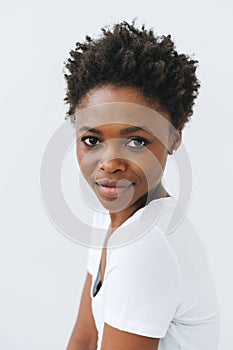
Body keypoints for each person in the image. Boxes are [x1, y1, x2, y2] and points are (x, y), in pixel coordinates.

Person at [65, 21, 219, 350]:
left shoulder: (146, 244)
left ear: (173, 136)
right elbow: (84, 339)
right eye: (92, 139)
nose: (110, 163)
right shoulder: (108, 220)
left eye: (136, 141)